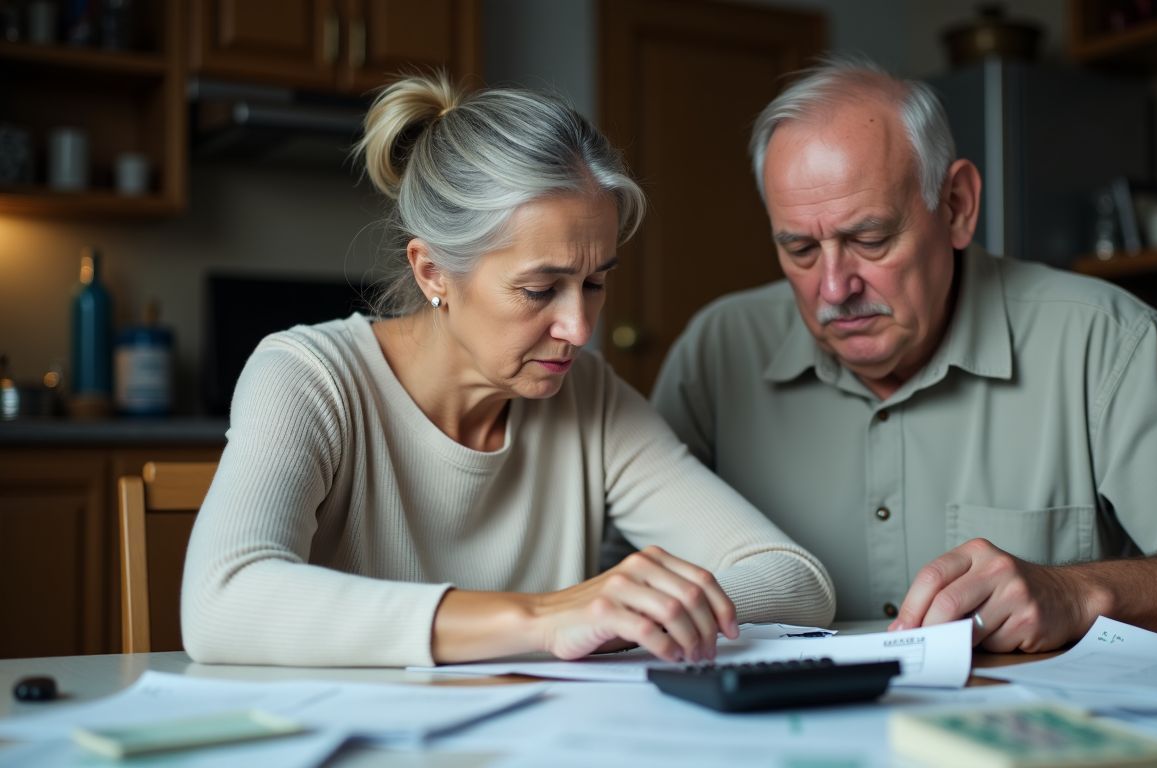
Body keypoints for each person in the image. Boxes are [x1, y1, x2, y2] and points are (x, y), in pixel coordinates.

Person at [650, 56, 1157, 653]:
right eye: (800, 248)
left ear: (956, 205)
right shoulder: (718, 354)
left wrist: (1080, 592)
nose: (834, 287)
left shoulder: (1104, 341)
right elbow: (626, 578)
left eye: (869, 239)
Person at [180, 72, 835, 668]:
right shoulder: (308, 377)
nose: (580, 330)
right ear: (432, 270)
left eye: (595, 283)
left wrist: (625, 612)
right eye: (539, 289)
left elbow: (793, 580)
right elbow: (221, 602)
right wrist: (545, 617)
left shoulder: (589, 398)